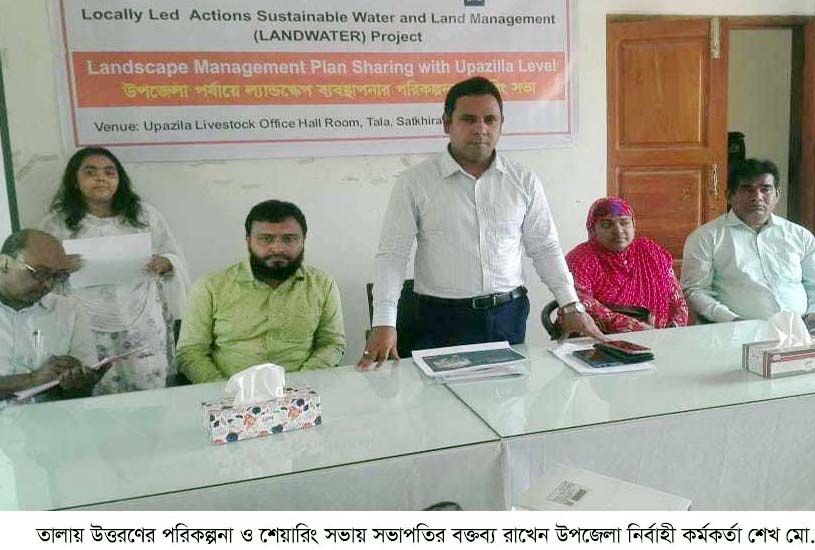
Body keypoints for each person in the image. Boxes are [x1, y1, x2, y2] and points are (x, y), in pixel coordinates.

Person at [359, 76, 603, 368]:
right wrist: (384, 321)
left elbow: (545, 248)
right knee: (441, 396)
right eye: (468, 119)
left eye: (490, 119)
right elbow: (392, 255)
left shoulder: (522, 181)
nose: (481, 129)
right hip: (440, 320)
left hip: (507, 315)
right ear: (447, 124)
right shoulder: (415, 183)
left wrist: (571, 305)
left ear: (501, 124)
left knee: (510, 395)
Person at [39, 146, 189, 395]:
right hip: (86, 319)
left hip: (142, 319)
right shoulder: (57, 223)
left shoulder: (143, 215)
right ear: (75, 181)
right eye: (91, 172)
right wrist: (59, 266)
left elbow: (174, 255)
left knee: (149, 393)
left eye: (109, 172)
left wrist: (164, 262)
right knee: (97, 389)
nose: (101, 178)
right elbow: (38, 271)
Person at [176, 200, 346, 383]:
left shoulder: (323, 285)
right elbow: (190, 352)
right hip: (228, 392)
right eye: (266, 239)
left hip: (303, 391)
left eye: (289, 239)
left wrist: (301, 383)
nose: (278, 248)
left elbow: (331, 343)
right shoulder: (210, 287)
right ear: (248, 241)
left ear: (303, 240)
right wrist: (226, 390)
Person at [681, 158, 815, 333]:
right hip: (735, 333)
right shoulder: (706, 237)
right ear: (729, 195)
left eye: (765, 189)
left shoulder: (800, 235)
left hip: (802, 332)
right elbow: (695, 291)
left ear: (777, 194)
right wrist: (733, 321)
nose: (757, 197)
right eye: (747, 189)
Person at [0, 230, 104, 401]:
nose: (48, 285)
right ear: (4, 263)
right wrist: (31, 380)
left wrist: (77, 381)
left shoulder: (69, 311)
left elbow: (83, 393)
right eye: (39, 273)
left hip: (55, 416)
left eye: (58, 276)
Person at [564, 197, 688, 333]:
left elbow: (678, 301)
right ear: (593, 228)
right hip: (598, 339)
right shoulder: (580, 259)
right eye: (607, 224)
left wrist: (674, 329)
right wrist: (639, 329)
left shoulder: (651, 252)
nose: (618, 231)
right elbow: (582, 305)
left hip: (660, 337)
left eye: (624, 222)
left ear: (633, 225)